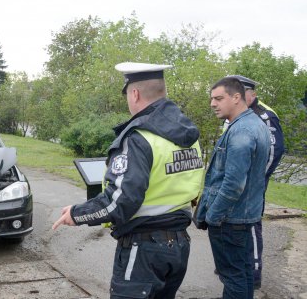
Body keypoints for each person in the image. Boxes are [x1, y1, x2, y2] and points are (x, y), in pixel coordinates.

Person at [52, 62, 204, 298]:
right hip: (179, 244)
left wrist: (77, 213)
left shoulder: (139, 137)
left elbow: (121, 201)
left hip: (144, 248)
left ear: (135, 93)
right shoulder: (188, 134)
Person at [194, 76, 270, 298]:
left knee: (232, 276)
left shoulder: (241, 131)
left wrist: (214, 216)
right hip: (243, 216)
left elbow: (233, 184)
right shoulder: (254, 123)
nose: (212, 104)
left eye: (218, 98)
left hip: (230, 219)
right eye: (211, 99)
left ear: (237, 97)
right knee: (243, 272)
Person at [226, 75, 285, 289]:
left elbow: (274, 151)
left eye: (243, 94)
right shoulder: (233, 113)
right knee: (231, 222)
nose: (239, 98)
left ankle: (254, 270)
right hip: (233, 182)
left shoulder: (265, 115)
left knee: (251, 224)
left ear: (253, 94)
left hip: (253, 184)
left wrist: (257, 181)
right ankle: (235, 266)